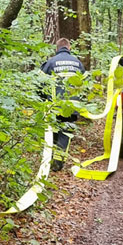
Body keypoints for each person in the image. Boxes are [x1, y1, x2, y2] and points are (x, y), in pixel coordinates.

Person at [41, 38, 85, 170]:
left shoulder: (51, 62)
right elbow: (86, 85)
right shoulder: (78, 63)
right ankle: (58, 162)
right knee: (65, 134)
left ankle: (50, 158)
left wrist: (43, 99)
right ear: (69, 48)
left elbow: (39, 83)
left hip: (54, 106)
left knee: (53, 132)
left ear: (57, 48)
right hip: (72, 106)